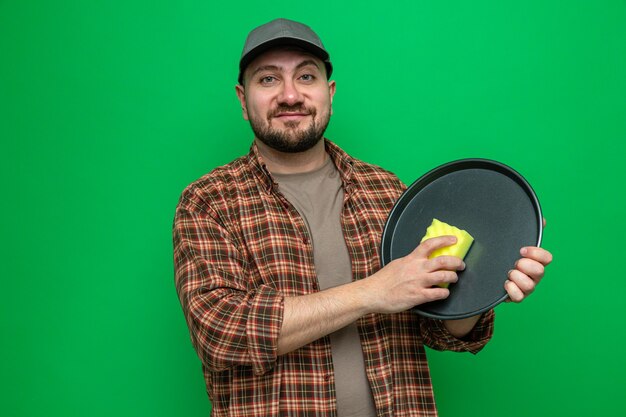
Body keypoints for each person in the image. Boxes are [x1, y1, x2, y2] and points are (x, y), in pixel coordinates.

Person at [173, 18, 553, 417]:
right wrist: (372, 291)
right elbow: (219, 331)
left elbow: (439, 327)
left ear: (329, 93)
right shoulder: (208, 202)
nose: (290, 95)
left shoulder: (386, 190)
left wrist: (488, 283)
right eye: (268, 80)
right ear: (242, 99)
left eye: (306, 76)